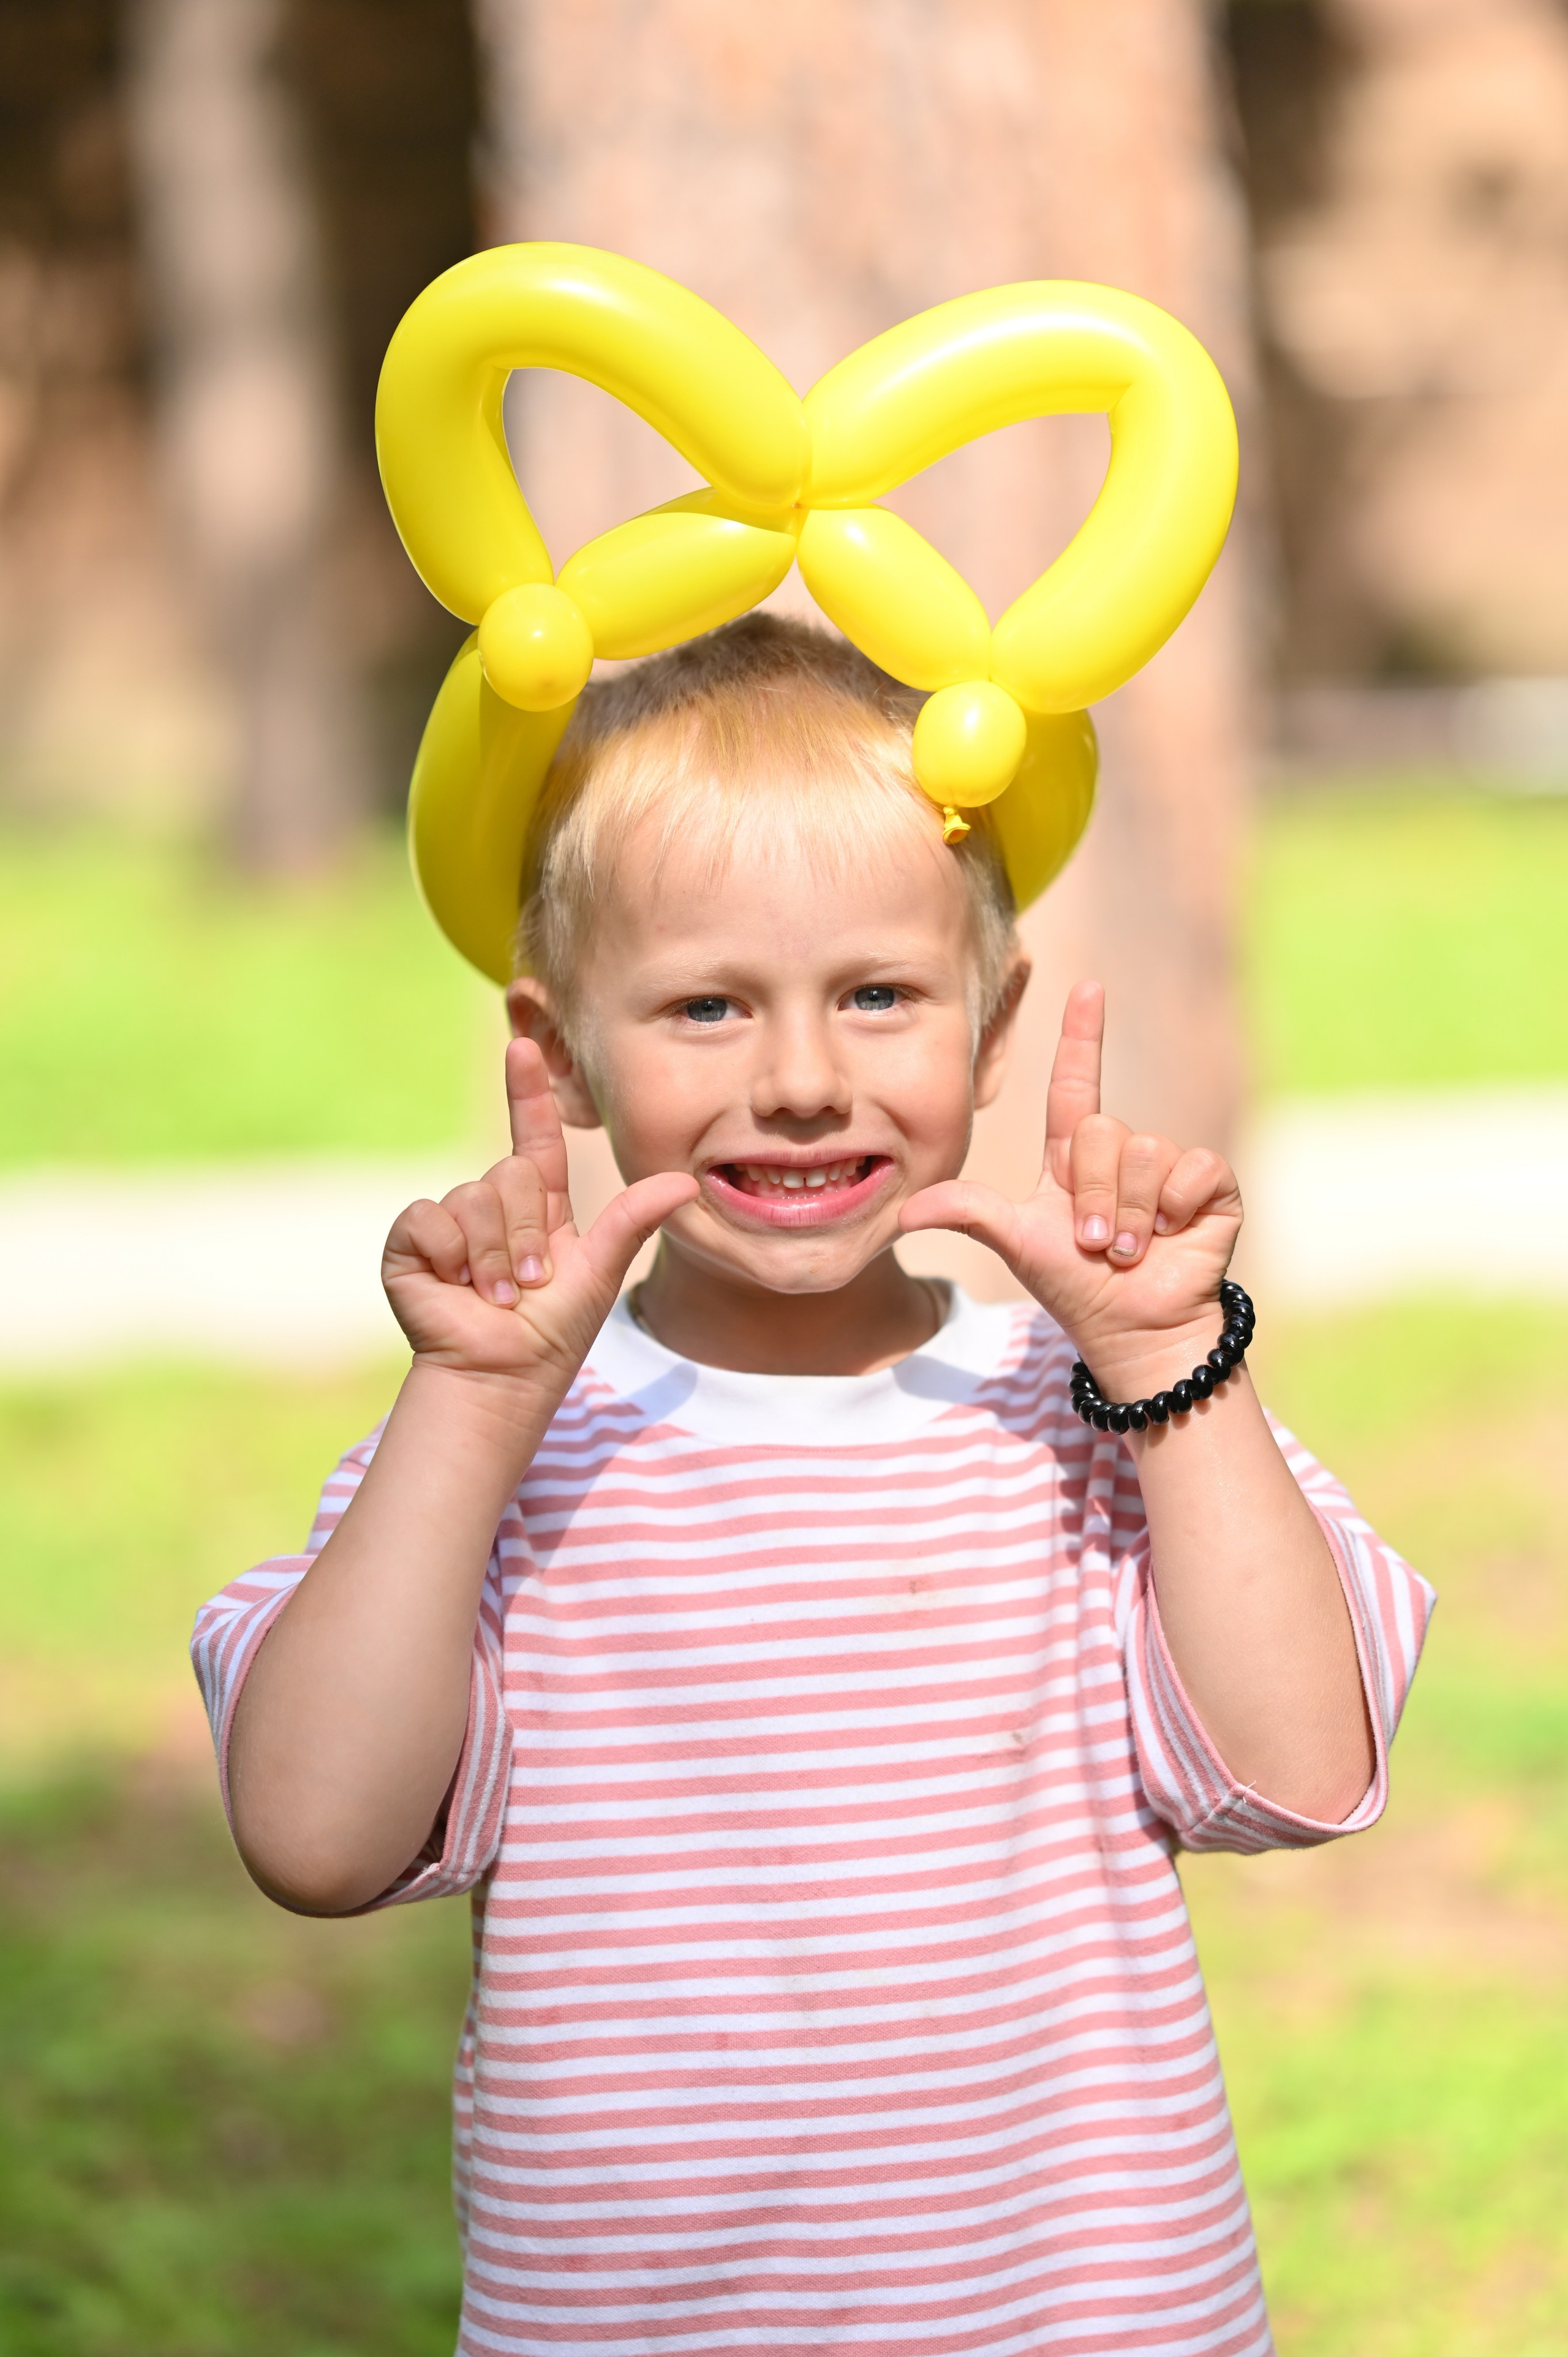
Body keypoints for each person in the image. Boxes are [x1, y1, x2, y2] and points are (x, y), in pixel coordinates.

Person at [194, 616, 1431, 2357]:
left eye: (875, 995)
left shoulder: (1090, 1419)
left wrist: (1165, 1366)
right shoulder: (505, 1456)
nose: (796, 1081)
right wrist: (472, 1404)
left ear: (990, 1027)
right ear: (561, 1051)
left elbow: (1309, 1774)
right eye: (707, 1005)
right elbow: (315, 1841)